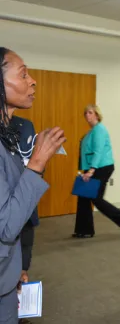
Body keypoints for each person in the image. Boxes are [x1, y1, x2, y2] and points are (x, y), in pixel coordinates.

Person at [0, 47, 66, 323]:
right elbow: (6, 225)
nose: (33, 81)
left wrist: (14, 269)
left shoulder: (12, 132)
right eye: (23, 74)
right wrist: (37, 163)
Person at [73, 105, 120, 238]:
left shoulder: (99, 130)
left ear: (96, 115)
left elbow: (98, 151)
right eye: (85, 113)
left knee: (96, 199)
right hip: (92, 167)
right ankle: (84, 230)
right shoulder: (91, 131)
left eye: (90, 112)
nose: (87, 115)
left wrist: (91, 170)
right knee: (83, 197)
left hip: (101, 168)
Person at [10, 116, 38, 324]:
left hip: (25, 205)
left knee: (23, 253)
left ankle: (19, 309)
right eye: (23, 79)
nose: (32, 81)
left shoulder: (25, 125)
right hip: (6, 207)